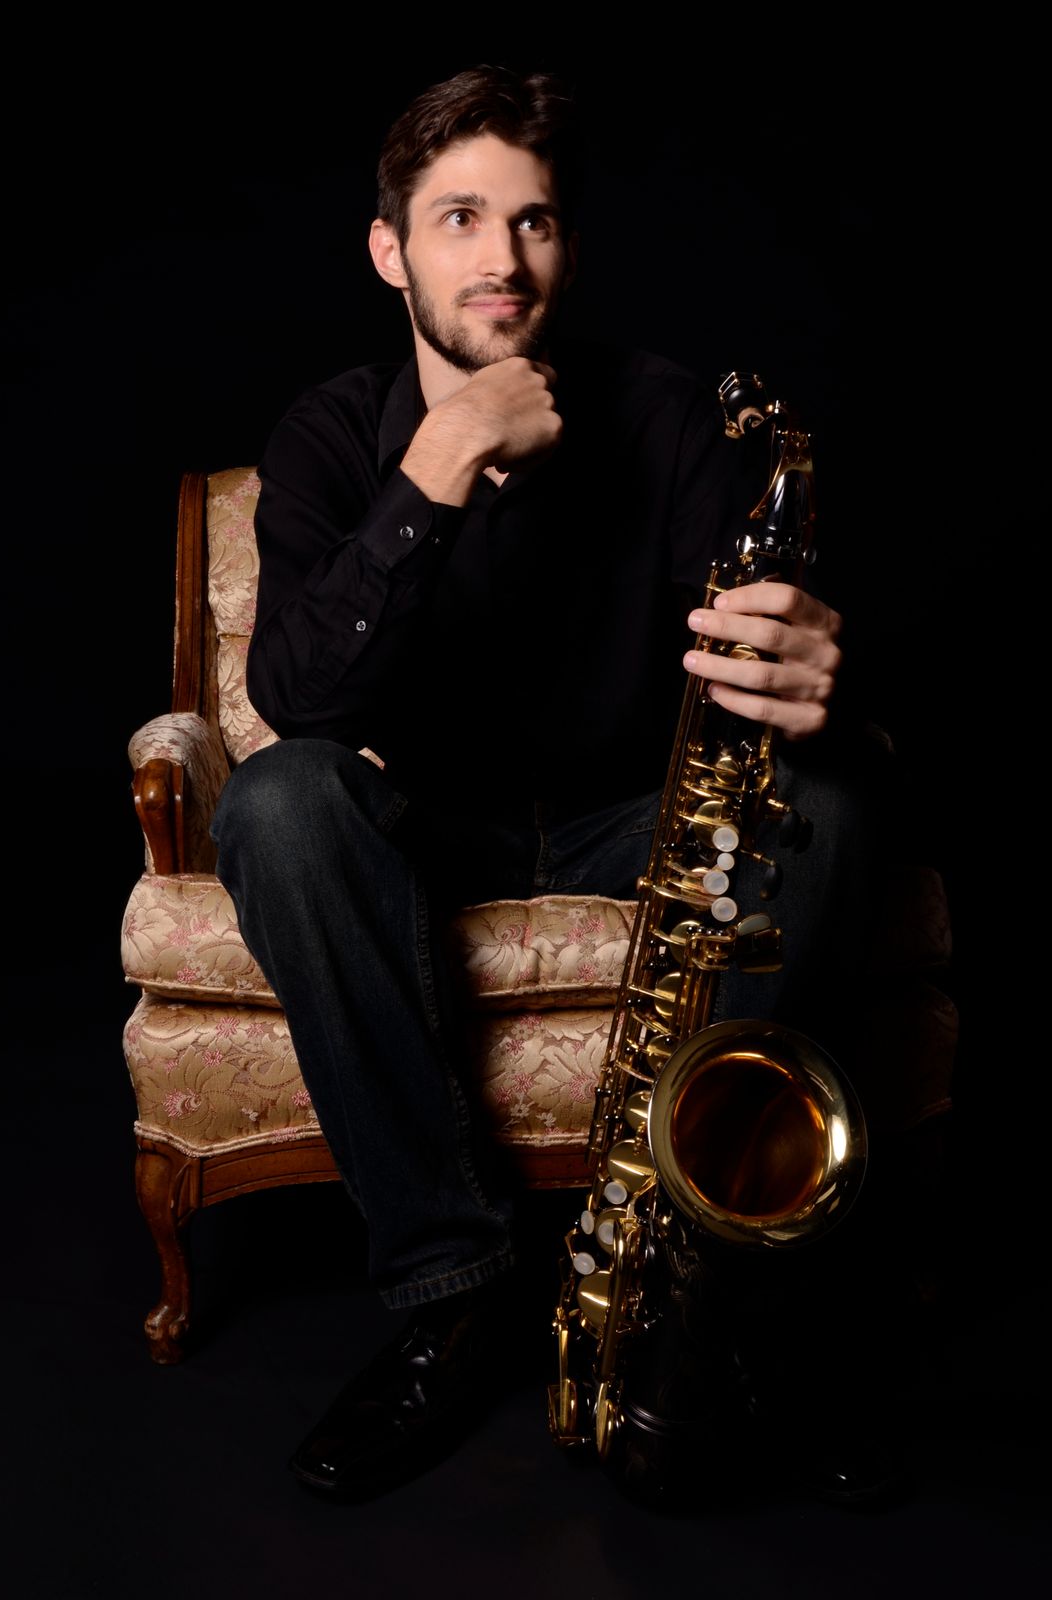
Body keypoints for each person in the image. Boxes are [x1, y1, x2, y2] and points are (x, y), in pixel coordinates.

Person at [211, 65, 906, 1507]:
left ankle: (702, 1301)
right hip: (427, 822)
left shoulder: (666, 421)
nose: (502, 259)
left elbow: (764, 691)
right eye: (459, 218)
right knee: (277, 804)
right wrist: (440, 464)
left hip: (628, 820)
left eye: (532, 222)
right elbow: (300, 701)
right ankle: (452, 1289)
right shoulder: (331, 437)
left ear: (570, 251)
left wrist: (825, 680)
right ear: (390, 250)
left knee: (834, 804)